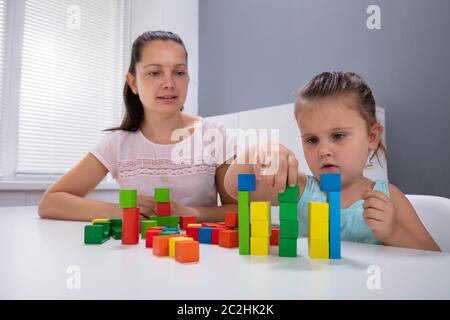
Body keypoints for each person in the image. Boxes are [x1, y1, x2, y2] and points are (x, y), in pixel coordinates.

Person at [225, 71, 440, 251]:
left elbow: (436, 258)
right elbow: (234, 187)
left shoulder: (388, 196)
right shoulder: (298, 188)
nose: (324, 150)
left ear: (372, 137)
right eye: (312, 140)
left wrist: (395, 233)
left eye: (338, 136)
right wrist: (261, 149)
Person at [38, 31, 237, 221]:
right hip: (136, 253)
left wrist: (190, 213)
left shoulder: (214, 135)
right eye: (154, 73)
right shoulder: (117, 144)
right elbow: (50, 202)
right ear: (133, 82)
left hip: (202, 253)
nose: (169, 83)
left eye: (179, 72)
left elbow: (239, 209)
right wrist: (121, 211)